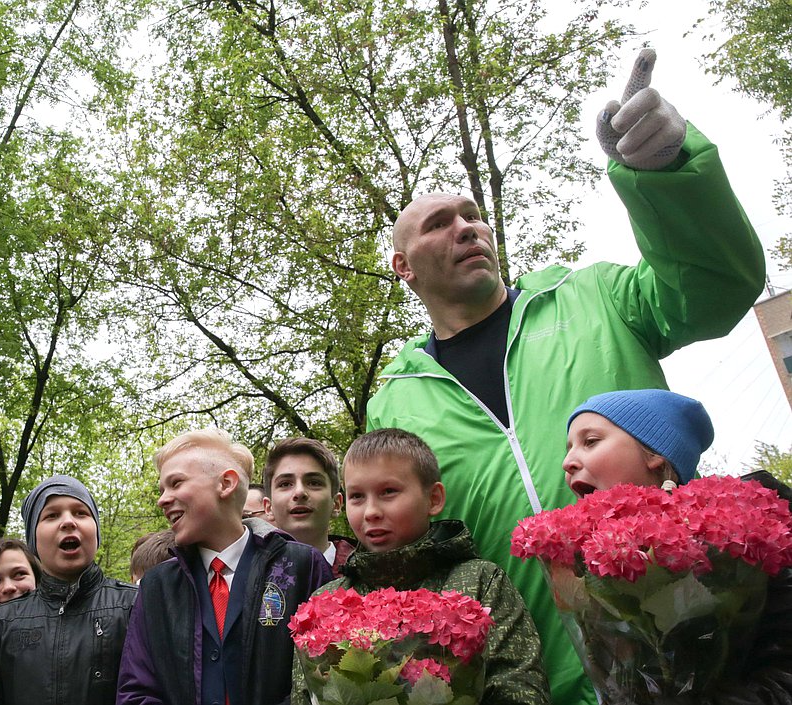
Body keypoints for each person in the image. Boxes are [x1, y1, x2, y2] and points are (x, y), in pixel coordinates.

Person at [363, 48, 765, 705]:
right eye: (439, 224)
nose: (466, 226)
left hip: (691, 661)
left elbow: (719, 288)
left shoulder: (595, 296)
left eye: (472, 214)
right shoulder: (396, 405)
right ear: (403, 267)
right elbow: (416, 553)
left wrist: (667, 172)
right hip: (528, 681)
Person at [563, 388, 792, 703]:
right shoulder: (595, 567)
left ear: (654, 453)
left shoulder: (754, 529)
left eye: (591, 442)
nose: (568, 462)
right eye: (569, 447)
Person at [293, 429, 549, 705]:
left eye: (388, 492)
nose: (370, 511)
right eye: (357, 497)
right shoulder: (327, 601)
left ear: (434, 499)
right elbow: (305, 694)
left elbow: (520, 688)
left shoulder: (481, 582)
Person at [117, 427, 333, 705]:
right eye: (162, 489)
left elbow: (326, 680)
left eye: (176, 483)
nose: (162, 499)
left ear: (226, 483)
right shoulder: (157, 586)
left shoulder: (301, 566)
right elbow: (136, 691)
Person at [0, 476, 137, 705]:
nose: (68, 522)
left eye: (80, 513)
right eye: (51, 515)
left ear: (96, 530)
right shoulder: (0, 622)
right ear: (33, 539)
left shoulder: (134, 605)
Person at [263, 437, 356, 571]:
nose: (300, 492)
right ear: (268, 508)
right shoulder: (246, 578)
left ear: (336, 504)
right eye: (285, 484)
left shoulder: (371, 576)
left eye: (314, 483)